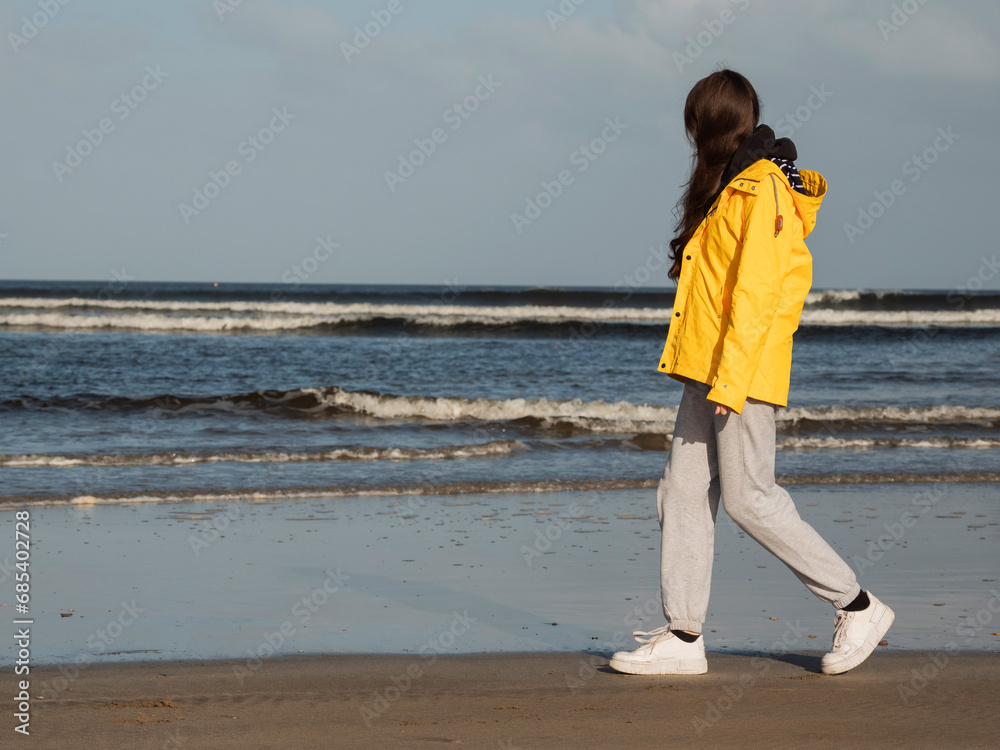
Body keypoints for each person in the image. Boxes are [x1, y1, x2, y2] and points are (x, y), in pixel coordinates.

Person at [609, 70, 893, 677]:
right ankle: (684, 637)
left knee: (750, 500)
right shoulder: (726, 186)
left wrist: (731, 384)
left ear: (711, 123)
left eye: (694, 122)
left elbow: (758, 296)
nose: (689, 135)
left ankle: (858, 605)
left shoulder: (759, 188)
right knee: (681, 493)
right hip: (705, 368)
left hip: (740, 373)